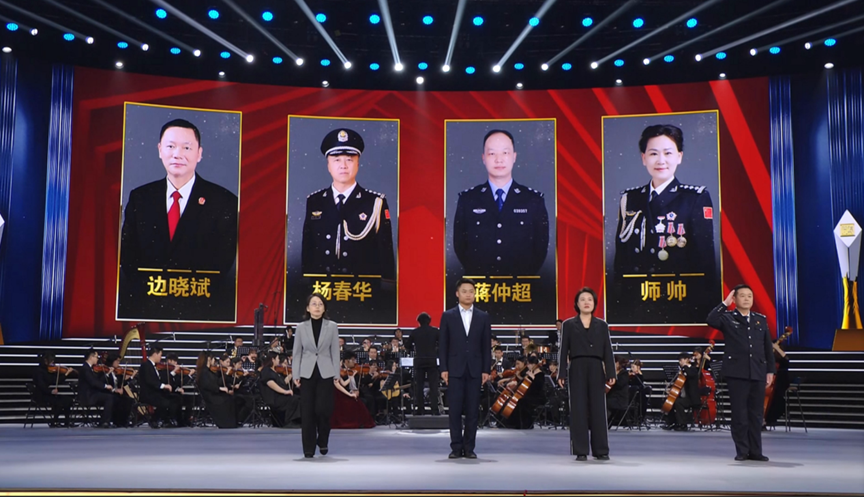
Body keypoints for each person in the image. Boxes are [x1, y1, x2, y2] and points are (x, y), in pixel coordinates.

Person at [118, 118, 238, 321]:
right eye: (171, 146)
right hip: (147, 305)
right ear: (159, 150)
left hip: (202, 309)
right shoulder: (140, 197)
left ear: (199, 153)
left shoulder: (224, 201)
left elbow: (223, 262)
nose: (177, 154)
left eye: (187, 147)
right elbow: (128, 256)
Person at [611, 124, 717, 324]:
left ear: (679, 156)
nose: (661, 160)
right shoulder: (630, 198)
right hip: (636, 301)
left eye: (668, 153)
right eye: (653, 153)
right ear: (644, 158)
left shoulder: (694, 198)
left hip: (678, 300)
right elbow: (621, 256)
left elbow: (705, 260)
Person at [301, 128, 395, 279]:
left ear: (358, 164)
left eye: (349, 159)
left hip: (362, 287)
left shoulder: (375, 202)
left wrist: (387, 286)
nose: (343, 165)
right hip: (323, 287)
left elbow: (386, 255)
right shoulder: (314, 201)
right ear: (328, 165)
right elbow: (308, 252)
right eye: (337, 159)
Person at [453, 129, 549, 276]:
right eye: (492, 153)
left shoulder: (533, 201)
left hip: (520, 285)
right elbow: (460, 245)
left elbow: (540, 247)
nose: (499, 159)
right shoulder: (468, 200)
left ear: (514, 157)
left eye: (505, 152)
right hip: (480, 284)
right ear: (483, 158)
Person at [707, 285, 775, 462]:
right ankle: (742, 450)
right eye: (742, 296)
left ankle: (756, 451)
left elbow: (767, 347)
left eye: (749, 296)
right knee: (739, 414)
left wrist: (770, 370)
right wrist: (725, 303)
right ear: (735, 299)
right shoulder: (728, 318)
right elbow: (711, 320)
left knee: (756, 414)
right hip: (737, 372)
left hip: (758, 371)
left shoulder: (760, 319)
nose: (746, 299)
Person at [558, 287, 616, 461]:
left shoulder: (602, 325)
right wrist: (561, 373)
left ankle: (601, 450)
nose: (586, 302)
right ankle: (580, 450)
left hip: (596, 367)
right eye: (582, 299)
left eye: (589, 299)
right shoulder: (568, 324)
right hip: (577, 366)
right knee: (578, 408)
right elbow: (563, 351)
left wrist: (611, 372)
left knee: (598, 408)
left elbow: (608, 350)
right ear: (577, 303)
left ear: (594, 303)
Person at [439, 278, 492, 459]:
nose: (468, 294)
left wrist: (486, 369)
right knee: (454, 410)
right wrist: (443, 368)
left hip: (475, 369)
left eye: (471, 291)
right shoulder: (448, 316)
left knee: (472, 411)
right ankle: (456, 447)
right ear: (457, 293)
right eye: (464, 291)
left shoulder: (483, 317)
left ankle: (469, 448)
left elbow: (486, 346)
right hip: (454, 369)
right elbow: (443, 344)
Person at [293, 293, 341, 458]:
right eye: (314, 304)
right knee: (307, 412)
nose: (317, 307)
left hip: (326, 372)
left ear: (324, 307)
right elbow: (297, 353)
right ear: (308, 308)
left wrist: (336, 374)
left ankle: (323, 439)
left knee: (324, 409)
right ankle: (308, 448)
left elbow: (335, 351)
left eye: (320, 304)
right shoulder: (301, 327)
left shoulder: (332, 326)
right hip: (306, 373)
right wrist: (296, 374)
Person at [138, 346, 182, 428]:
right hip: (149, 393)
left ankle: (168, 420)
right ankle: (155, 419)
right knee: (164, 402)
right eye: (160, 355)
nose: (161, 358)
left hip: (156, 392)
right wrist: (163, 386)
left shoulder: (153, 366)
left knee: (175, 398)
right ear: (155, 354)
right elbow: (149, 381)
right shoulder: (145, 365)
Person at [408, 312, 440, 416]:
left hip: (419, 360)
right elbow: (442, 343)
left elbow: (407, 345)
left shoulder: (415, 332)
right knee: (433, 386)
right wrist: (435, 351)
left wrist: (414, 349)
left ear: (419, 322)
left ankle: (420, 409)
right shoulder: (435, 331)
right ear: (429, 321)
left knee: (419, 386)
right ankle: (434, 409)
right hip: (431, 360)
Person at [194, 352, 237, 428]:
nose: (214, 361)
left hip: (213, 393)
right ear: (209, 359)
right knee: (226, 399)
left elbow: (217, 382)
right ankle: (225, 423)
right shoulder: (204, 372)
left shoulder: (209, 371)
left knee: (231, 397)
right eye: (213, 359)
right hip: (210, 396)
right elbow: (208, 385)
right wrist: (220, 388)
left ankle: (231, 422)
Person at [260, 352, 301, 428]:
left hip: (280, 396)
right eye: (278, 358)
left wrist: (291, 375)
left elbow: (283, 383)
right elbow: (271, 383)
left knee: (298, 398)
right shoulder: (266, 370)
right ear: (273, 359)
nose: (279, 360)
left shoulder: (276, 372)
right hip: (274, 397)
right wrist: (285, 392)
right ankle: (289, 421)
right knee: (294, 400)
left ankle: (297, 420)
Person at [32, 353, 74, 427]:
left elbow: (55, 381)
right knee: (59, 402)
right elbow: (41, 386)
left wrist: (66, 374)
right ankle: (54, 421)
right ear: (45, 360)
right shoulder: (39, 371)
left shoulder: (47, 370)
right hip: (40, 395)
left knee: (68, 400)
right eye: (51, 361)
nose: (53, 363)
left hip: (47, 394)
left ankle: (67, 422)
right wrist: (51, 391)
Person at [77, 350, 115, 428]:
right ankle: (105, 421)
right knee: (109, 397)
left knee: (110, 396)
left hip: (92, 393)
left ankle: (106, 420)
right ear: (91, 357)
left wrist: (107, 374)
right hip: (87, 396)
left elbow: (97, 381)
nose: (98, 359)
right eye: (97, 357)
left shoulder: (89, 368)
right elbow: (93, 382)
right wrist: (105, 386)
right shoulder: (85, 368)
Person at [507, 355, 546, 429]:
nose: (527, 366)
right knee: (519, 400)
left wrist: (532, 377)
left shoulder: (540, 374)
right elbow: (525, 383)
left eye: (529, 364)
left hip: (538, 397)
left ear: (534, 364)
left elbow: (538, 387)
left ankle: (526, 424)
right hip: (530, 395)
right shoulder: (530, 372)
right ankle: (514, 423)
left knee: (522, 401)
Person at [664, 352, 701, 431]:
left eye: (681, 360)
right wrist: (671, 389)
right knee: (669, 400)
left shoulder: (693, 369)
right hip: (684, 396)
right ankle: (672, 422)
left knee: (678, 402)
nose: (679, 362)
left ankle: (683, 424)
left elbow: (690, 375)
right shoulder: (683, 370)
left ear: (686, 360)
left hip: (691, 398)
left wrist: (685, 366)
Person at [103, 353, 136, 428]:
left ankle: (123, 422)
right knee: (118, 399)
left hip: (116, 394)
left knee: (129, 400)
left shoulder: (117, 372)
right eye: (117, 361)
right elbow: (103, 382)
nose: (118, 363)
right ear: (112, 361)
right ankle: (116, 421)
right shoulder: (105, 371)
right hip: (108, 393)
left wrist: (131, 377)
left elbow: (122, 384)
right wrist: (108, 374)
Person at [606, 356, 631, 424]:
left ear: (617, 363)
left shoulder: (624, 374)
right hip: (612, 397)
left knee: (604, 402)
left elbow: (619, 384)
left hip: (619, 399)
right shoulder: (611, 374)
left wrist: (613, 378)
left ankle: (603, 422)